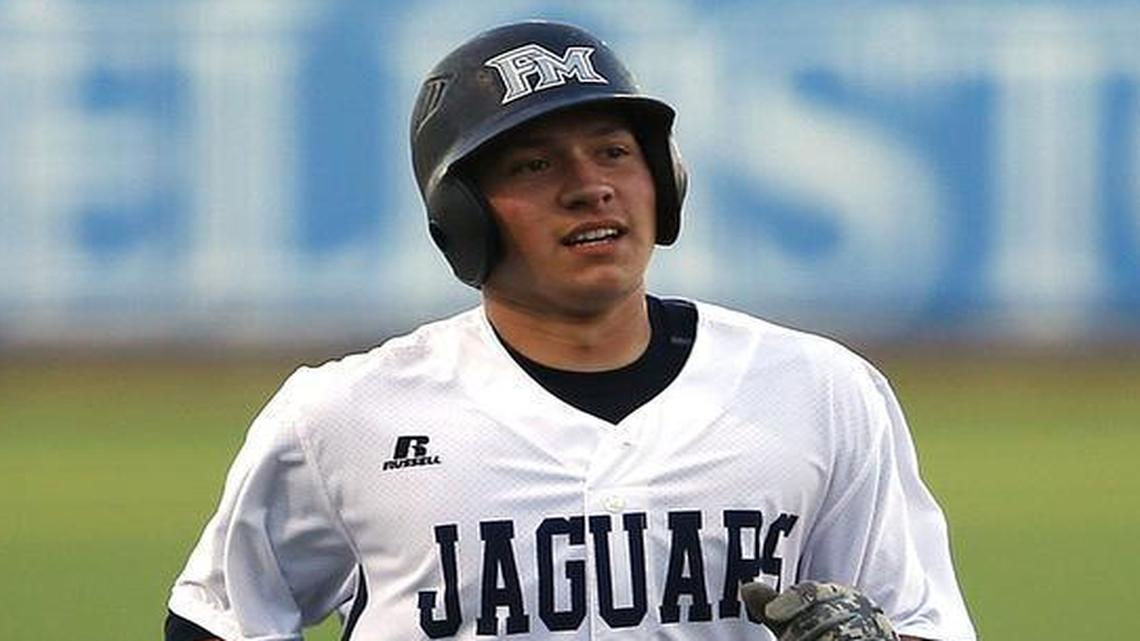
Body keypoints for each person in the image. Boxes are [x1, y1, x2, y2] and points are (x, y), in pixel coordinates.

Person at [165, 20, 977, 641]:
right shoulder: (343, 416)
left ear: (664, 181)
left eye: (615, 152)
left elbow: (923, 617)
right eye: (534, 164)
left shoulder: (818, 391)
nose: (591, 188)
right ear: (462, 216)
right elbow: (220, 618)